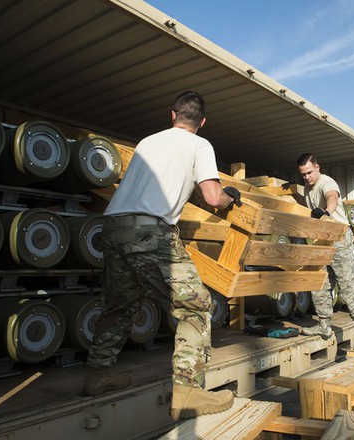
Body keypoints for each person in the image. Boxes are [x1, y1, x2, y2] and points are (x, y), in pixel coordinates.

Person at [83, 91, 240, 420]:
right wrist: (230, 196)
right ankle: (188, 391)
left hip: (113, 226)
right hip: (149, 231)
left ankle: (98, 375)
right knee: (195, 305)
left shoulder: (147, 142)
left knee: (121, 304)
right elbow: (212, 197)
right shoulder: (200, 145)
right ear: (202, 122)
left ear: (173, 115)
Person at [296, 153, 354, 350]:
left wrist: (326, 212)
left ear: (317, 167)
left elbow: (332, 198)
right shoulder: (307, 187)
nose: (307, 177)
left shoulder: (326, 182)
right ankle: (324, 325)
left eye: (309, 173)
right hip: (321, 237)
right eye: (303, 174)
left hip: (338, 235)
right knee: (319, 282)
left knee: (347, 283)